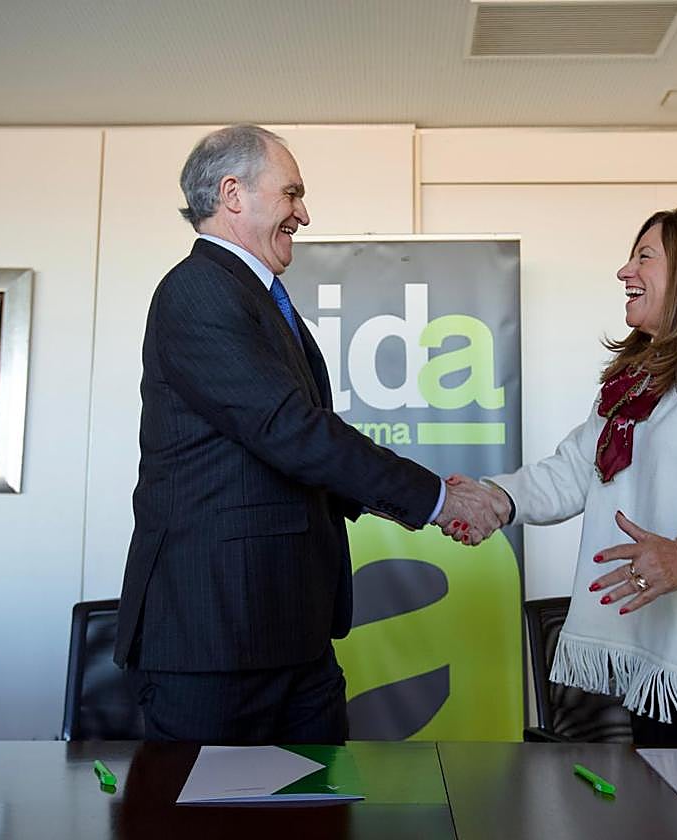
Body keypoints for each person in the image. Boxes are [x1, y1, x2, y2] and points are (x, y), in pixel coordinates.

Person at [113, 125, 506, 745]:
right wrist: (436, 499)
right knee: (208, 806)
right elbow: (289, 430)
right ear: (233, 194)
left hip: (289, 630)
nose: (303, 213)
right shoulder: (198, 289)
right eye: (291, 193)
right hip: (218, 637)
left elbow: (290, 446)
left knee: (325, 796)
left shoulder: (253, 295)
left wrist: (427, 501)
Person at [447, 206, 677, 748]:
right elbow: (574, 470)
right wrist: (495, 499)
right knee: (661, 798)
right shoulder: (635, 379)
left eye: (644, 257)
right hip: (656, 662)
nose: (624, 272)